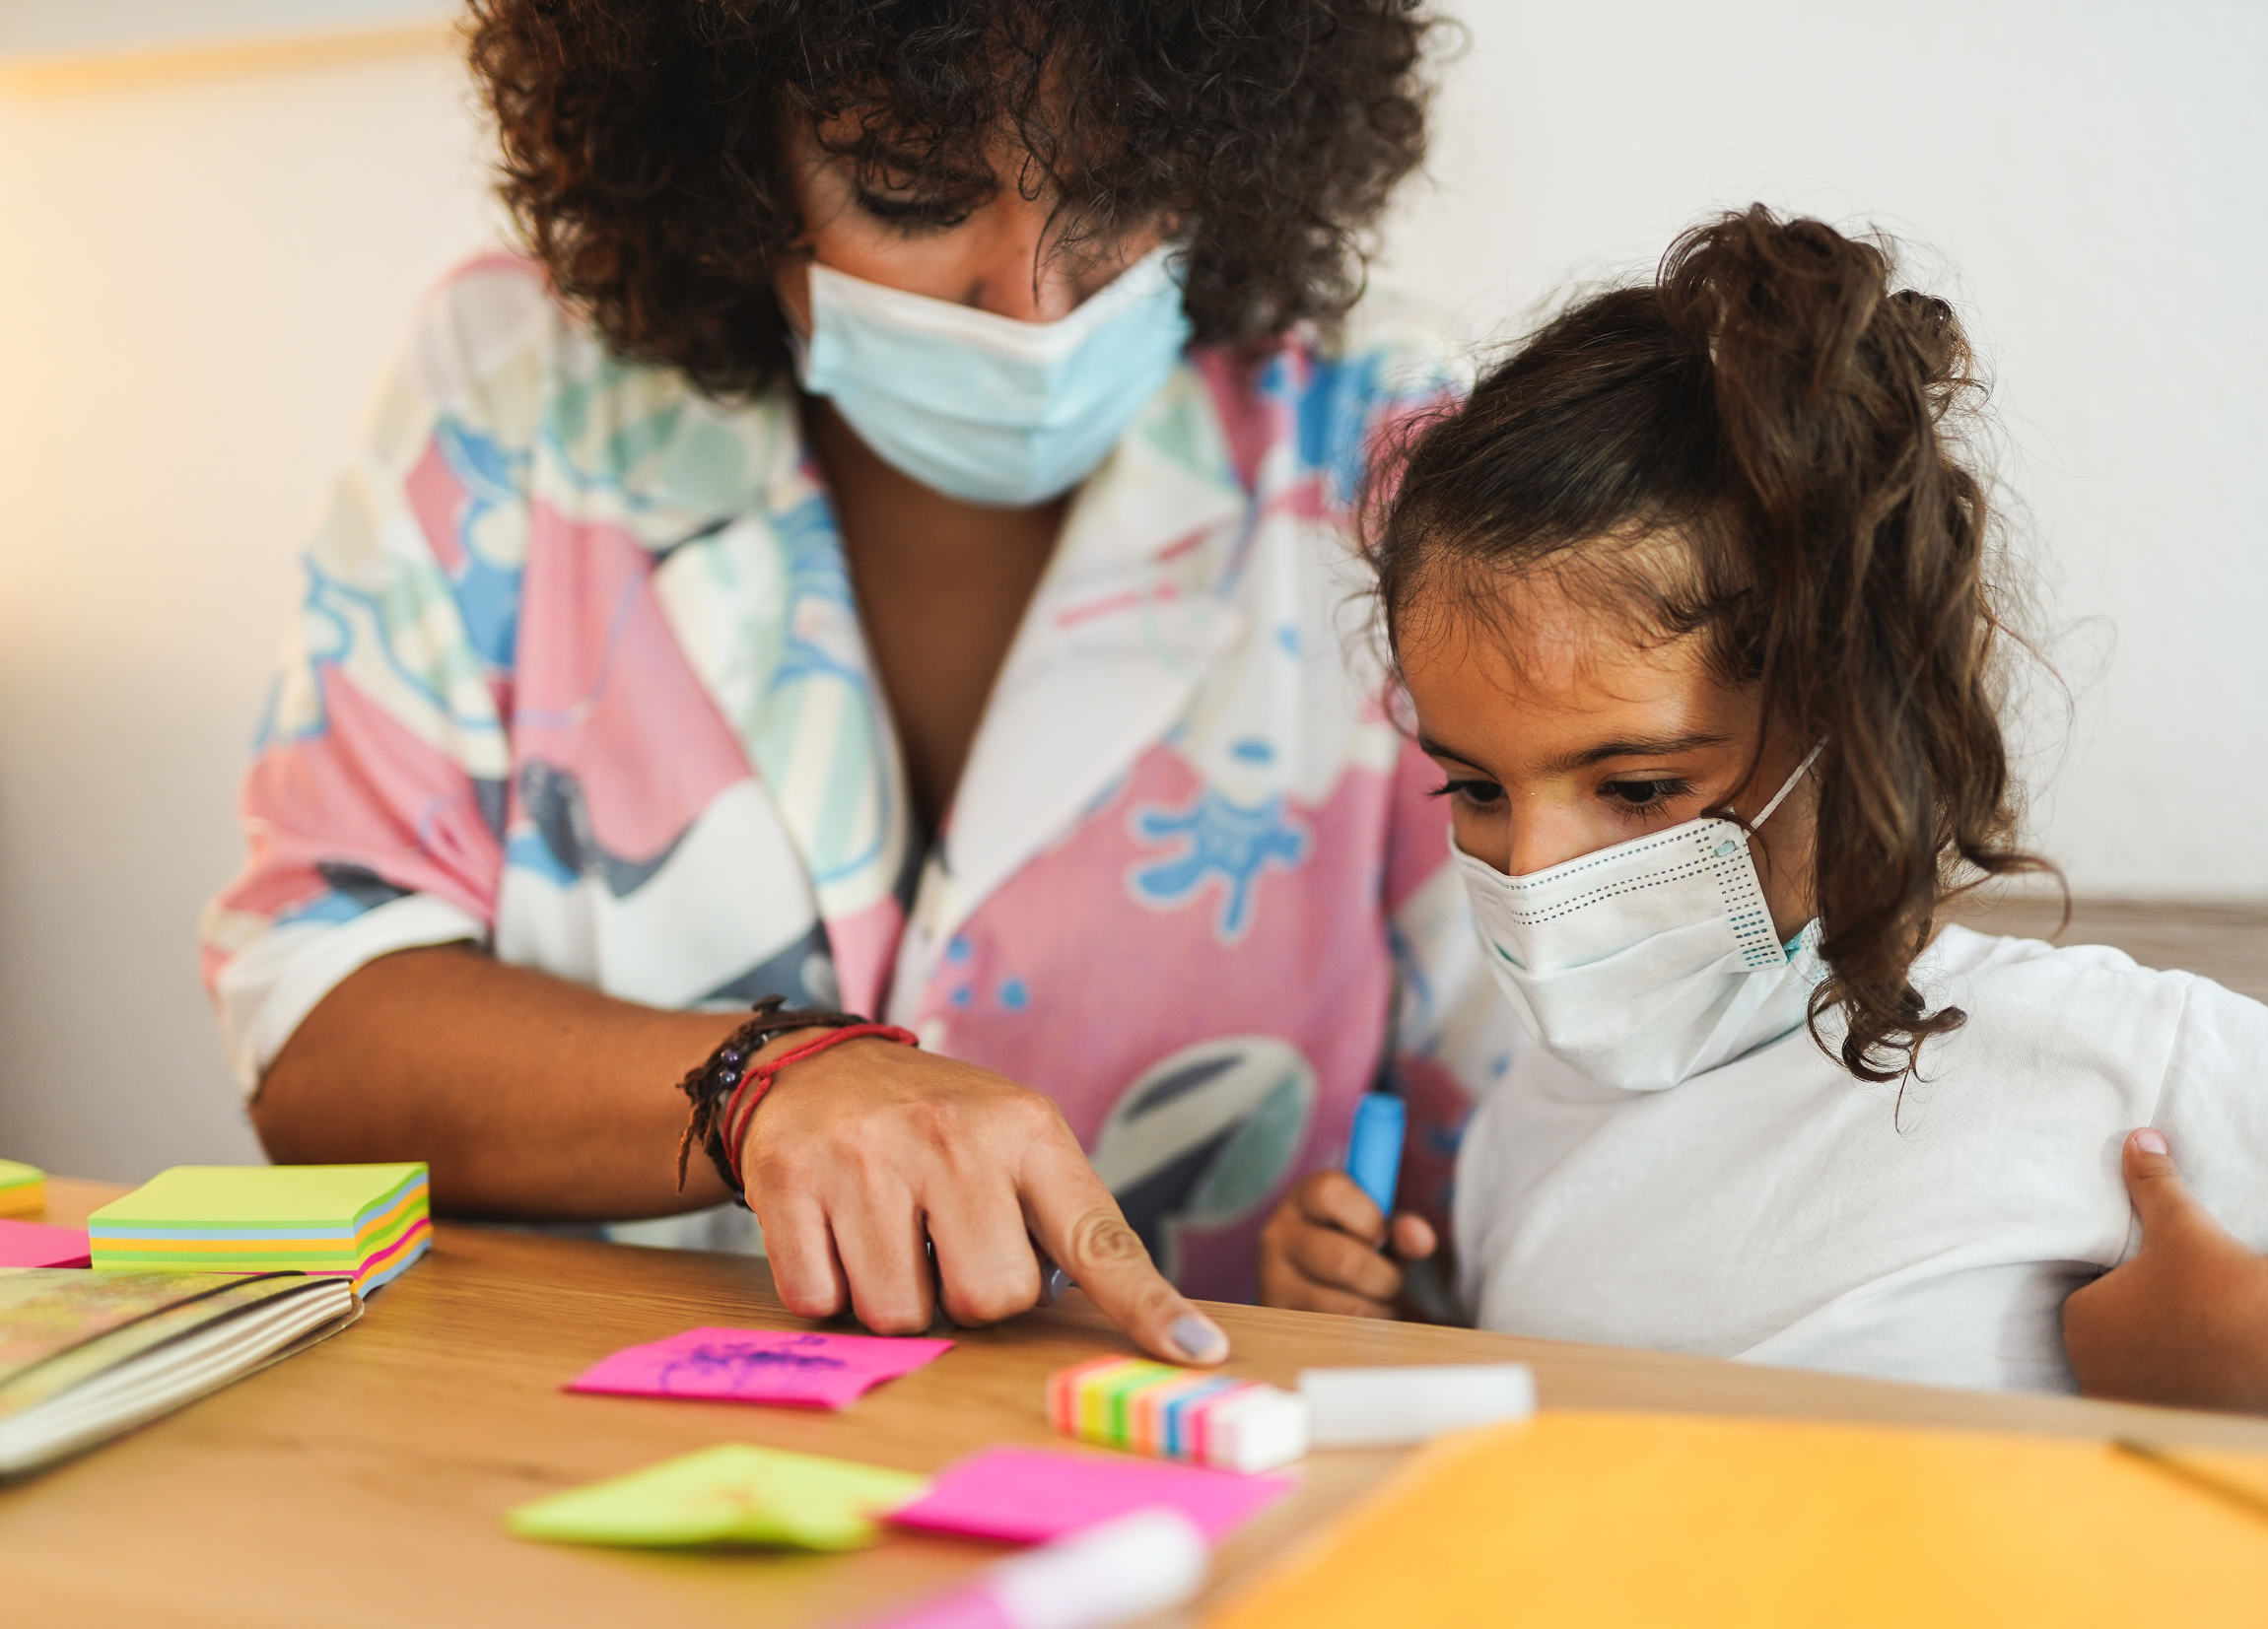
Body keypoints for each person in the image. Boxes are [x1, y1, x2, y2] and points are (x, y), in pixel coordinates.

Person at [208, 0, 1516, 1367]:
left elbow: (1526, 1120)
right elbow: (314, 1022)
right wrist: (758, 1089)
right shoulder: (520, 387)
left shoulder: (1377, 444)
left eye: (1124, 190)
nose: (1034, 303)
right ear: (729, 157)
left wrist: (1384, 1283)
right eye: (912, 195)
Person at [1258, 206, 2268, 1419]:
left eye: (1637, 789)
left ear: (1850, 727)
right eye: (1476, 789)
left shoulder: (2088, 1057)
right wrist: (1398, 1328)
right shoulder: (1529, 1117)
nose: (1534, 870)